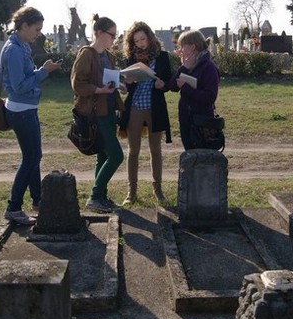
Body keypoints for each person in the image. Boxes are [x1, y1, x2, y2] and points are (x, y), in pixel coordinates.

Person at [0, 6, 62, 225]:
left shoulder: (21, 45)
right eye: (36, 29)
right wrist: (44, 72)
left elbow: (24, 78)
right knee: (31, 158)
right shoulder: (15, 50)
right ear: (24, 26)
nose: (39, 34)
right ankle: (13, 207)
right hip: (21, 110)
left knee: (33, 156)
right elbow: (19, 86)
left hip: (25, 108)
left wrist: (42, 70)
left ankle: (38, 200)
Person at [71, 14, 125, 213]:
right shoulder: (87, 54)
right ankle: (94, 197)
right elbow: (77, 84)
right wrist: (98, 90)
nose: (114, 39)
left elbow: (109, 80)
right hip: (95, 113)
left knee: (103, 156)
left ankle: (101, 197)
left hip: (109, 111)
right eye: (112, 34)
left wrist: (119, 85)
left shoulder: (110, 57)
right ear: (100, 33)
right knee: (116, 156)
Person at [118, 21, 172, 205]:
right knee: (133, 150)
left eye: (143, 39)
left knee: (155, 149)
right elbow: (124, 87)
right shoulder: (130, 59)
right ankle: (131, 192)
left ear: (149, 37)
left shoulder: (162, 57)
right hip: (135, 106)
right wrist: (126, 84)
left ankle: (158, 190)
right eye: (136, 41)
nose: (140, 43)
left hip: (154, 107)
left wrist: (162, 84)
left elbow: (168, 82)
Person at [168, 30, 220, 150]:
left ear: (192, 47)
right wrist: (184, 68)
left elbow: (210, 96)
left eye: (182, 46)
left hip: (201, 122)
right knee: (189, 155)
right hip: (186, 120)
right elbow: (172, 86)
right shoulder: (187, 66)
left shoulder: (209, 67)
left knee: (200, 157)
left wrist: (186, 88)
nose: (180, 50)